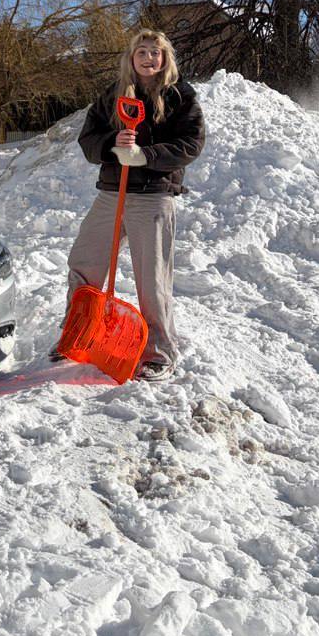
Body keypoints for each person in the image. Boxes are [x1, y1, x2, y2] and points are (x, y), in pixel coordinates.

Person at [67, 29, 206, 381]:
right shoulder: (113, 96)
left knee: (152, 278)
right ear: (131, 58)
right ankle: (77, 332)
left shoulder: (180, 96)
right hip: (112, 194)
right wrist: (113, 143)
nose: (148, 59)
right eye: (141, 52)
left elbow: (191, 143)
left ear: (164, 58)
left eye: (155, 53)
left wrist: (146, 155)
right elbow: (87, 139)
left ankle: (159, 351)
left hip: (154, 196)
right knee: (84, 262)